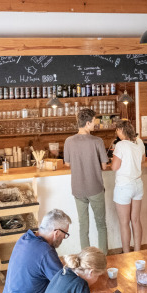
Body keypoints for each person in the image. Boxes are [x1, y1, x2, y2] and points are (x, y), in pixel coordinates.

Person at [63, 108, 109, 253]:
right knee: (101, 224)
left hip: (78, 189)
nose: (95, 124)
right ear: (88, 123)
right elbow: (104, 165)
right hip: (95, 188)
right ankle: (104, 257)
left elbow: (67, 164)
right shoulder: (97, 141)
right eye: (94, 122)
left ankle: (86, 258)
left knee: (83, 226)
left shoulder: (68, 141)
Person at [111, 120, 145, 252]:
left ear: (121, 130)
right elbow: (142, 160)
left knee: (124, 222)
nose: (116, 132)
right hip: (138, 184)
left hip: (124, 186)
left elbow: (114, 167)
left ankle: (126, 254)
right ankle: (137, 252)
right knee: (136, 220)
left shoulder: (121, 145)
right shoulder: (139, 141)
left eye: (117, 130)